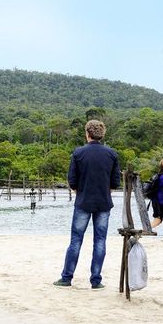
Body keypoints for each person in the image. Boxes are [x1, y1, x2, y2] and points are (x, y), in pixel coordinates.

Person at [53, 120, 120, 290]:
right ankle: (96, 280)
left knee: (76, 240)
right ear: (102, 134)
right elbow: (115, 182)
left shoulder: (78, 153)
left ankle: (66, 278)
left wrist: (80, 192)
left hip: (83, 202)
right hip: (104, 203)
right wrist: (105, 192)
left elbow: (72, 181)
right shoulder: (111, 154)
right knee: (100, 241)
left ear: (87, 133)